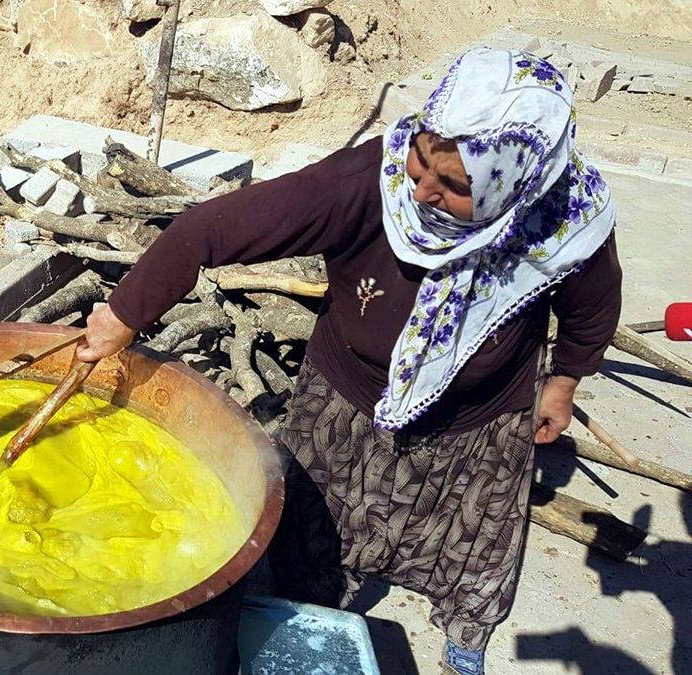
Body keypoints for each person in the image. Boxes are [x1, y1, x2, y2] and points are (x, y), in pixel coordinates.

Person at [75, 47, 622, 675]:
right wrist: (124, 313)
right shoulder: (368, 183)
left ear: (516, 184)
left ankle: (465, 639)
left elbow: (592, 303)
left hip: (482, 424)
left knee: (473, 553)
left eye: (454, 187)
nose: (420, 192)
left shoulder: (562, 218)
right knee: (314, 545)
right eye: (419, 164)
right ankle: (309, 621)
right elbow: (208, 229)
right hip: (344, 404)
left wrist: (563, 383)